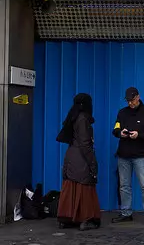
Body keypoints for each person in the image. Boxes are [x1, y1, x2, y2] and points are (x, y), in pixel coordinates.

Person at [56, 93, 101, 231]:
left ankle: (68, 218)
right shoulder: (83, 119)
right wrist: (94, 165)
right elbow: (85, 144)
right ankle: (86, 219)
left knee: (71, 187)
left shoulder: (73, 116)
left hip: (71, 157)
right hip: (81, 159)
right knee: (85, 187)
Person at [111, 87, 144, 226]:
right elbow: (115, 129)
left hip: (141, 155)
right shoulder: (122, 112)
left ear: (138, 97)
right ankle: (126, 213)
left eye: (132, 100)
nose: (131, 103)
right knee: (124, 185)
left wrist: (139, 135)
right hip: (123, 154)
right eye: (128, 101)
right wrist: (120, 133)